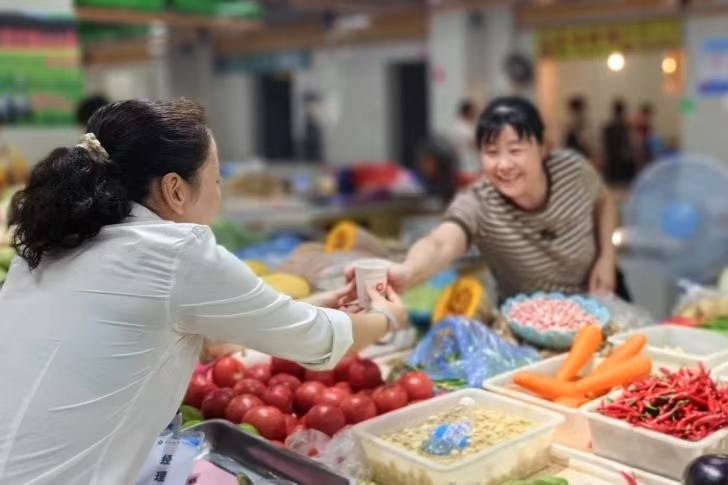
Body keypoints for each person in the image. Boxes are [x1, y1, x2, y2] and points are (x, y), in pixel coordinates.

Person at [0, 98, 406, 484]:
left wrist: (318, 304)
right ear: (175, 190)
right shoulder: (175, 251)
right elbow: (318, 341)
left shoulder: (54, 241)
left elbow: (208, 326)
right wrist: (387, 317)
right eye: (216, 178)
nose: (219, 190)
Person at [349, 96, 628, 303]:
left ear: (543, 148)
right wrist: (408, 272)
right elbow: (441, 243)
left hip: (600, 296)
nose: (503, 165)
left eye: (515, 150)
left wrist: (606, 257)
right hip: (530, 322)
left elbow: (604, 204)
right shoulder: (479, 202)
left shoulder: (573, 170)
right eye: (491, 152)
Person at [415, 136, 459, 204]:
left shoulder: (456, 185)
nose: (424, 165)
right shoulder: (418, 182)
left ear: (441, 163)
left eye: (429, 161)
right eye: (423, 161)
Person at [603, 99, 636, 185]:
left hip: (613, 161)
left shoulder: (609, 127)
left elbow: (606, 146)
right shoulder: (625, 127)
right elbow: (628, 143)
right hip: (622, 160)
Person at [450, 99, 481, 174]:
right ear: (467, 112)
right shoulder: (461, 128)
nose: (475, 114)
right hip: (467, 166)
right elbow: (475, 143)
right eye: (473, 111)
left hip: (472, 164)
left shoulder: (469, 126)